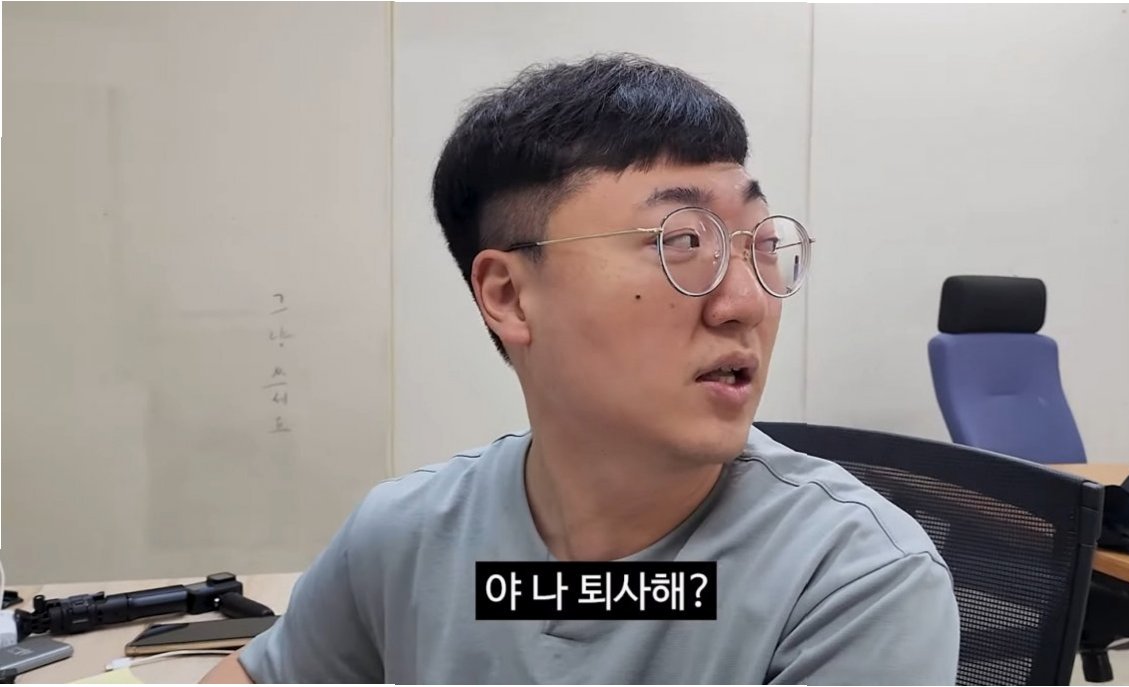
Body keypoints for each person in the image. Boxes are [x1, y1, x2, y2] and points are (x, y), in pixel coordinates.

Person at [203, 53, 960, 685]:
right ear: (509, 295)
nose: (744, 303)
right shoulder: (409, 535)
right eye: (681, 242)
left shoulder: (853, 582)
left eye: (760, 245)